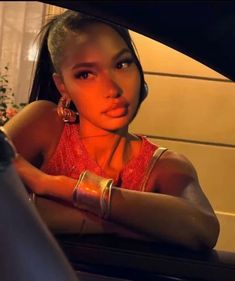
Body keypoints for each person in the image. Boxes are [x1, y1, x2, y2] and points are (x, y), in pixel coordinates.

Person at [3, 9, 219, 251]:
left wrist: (52, 185)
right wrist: (122, 225)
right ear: (62, 86)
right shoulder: (45, 122)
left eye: (122, 64)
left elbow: (203, 229)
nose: (112, 89)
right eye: (85, 74)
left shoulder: (165, 165)